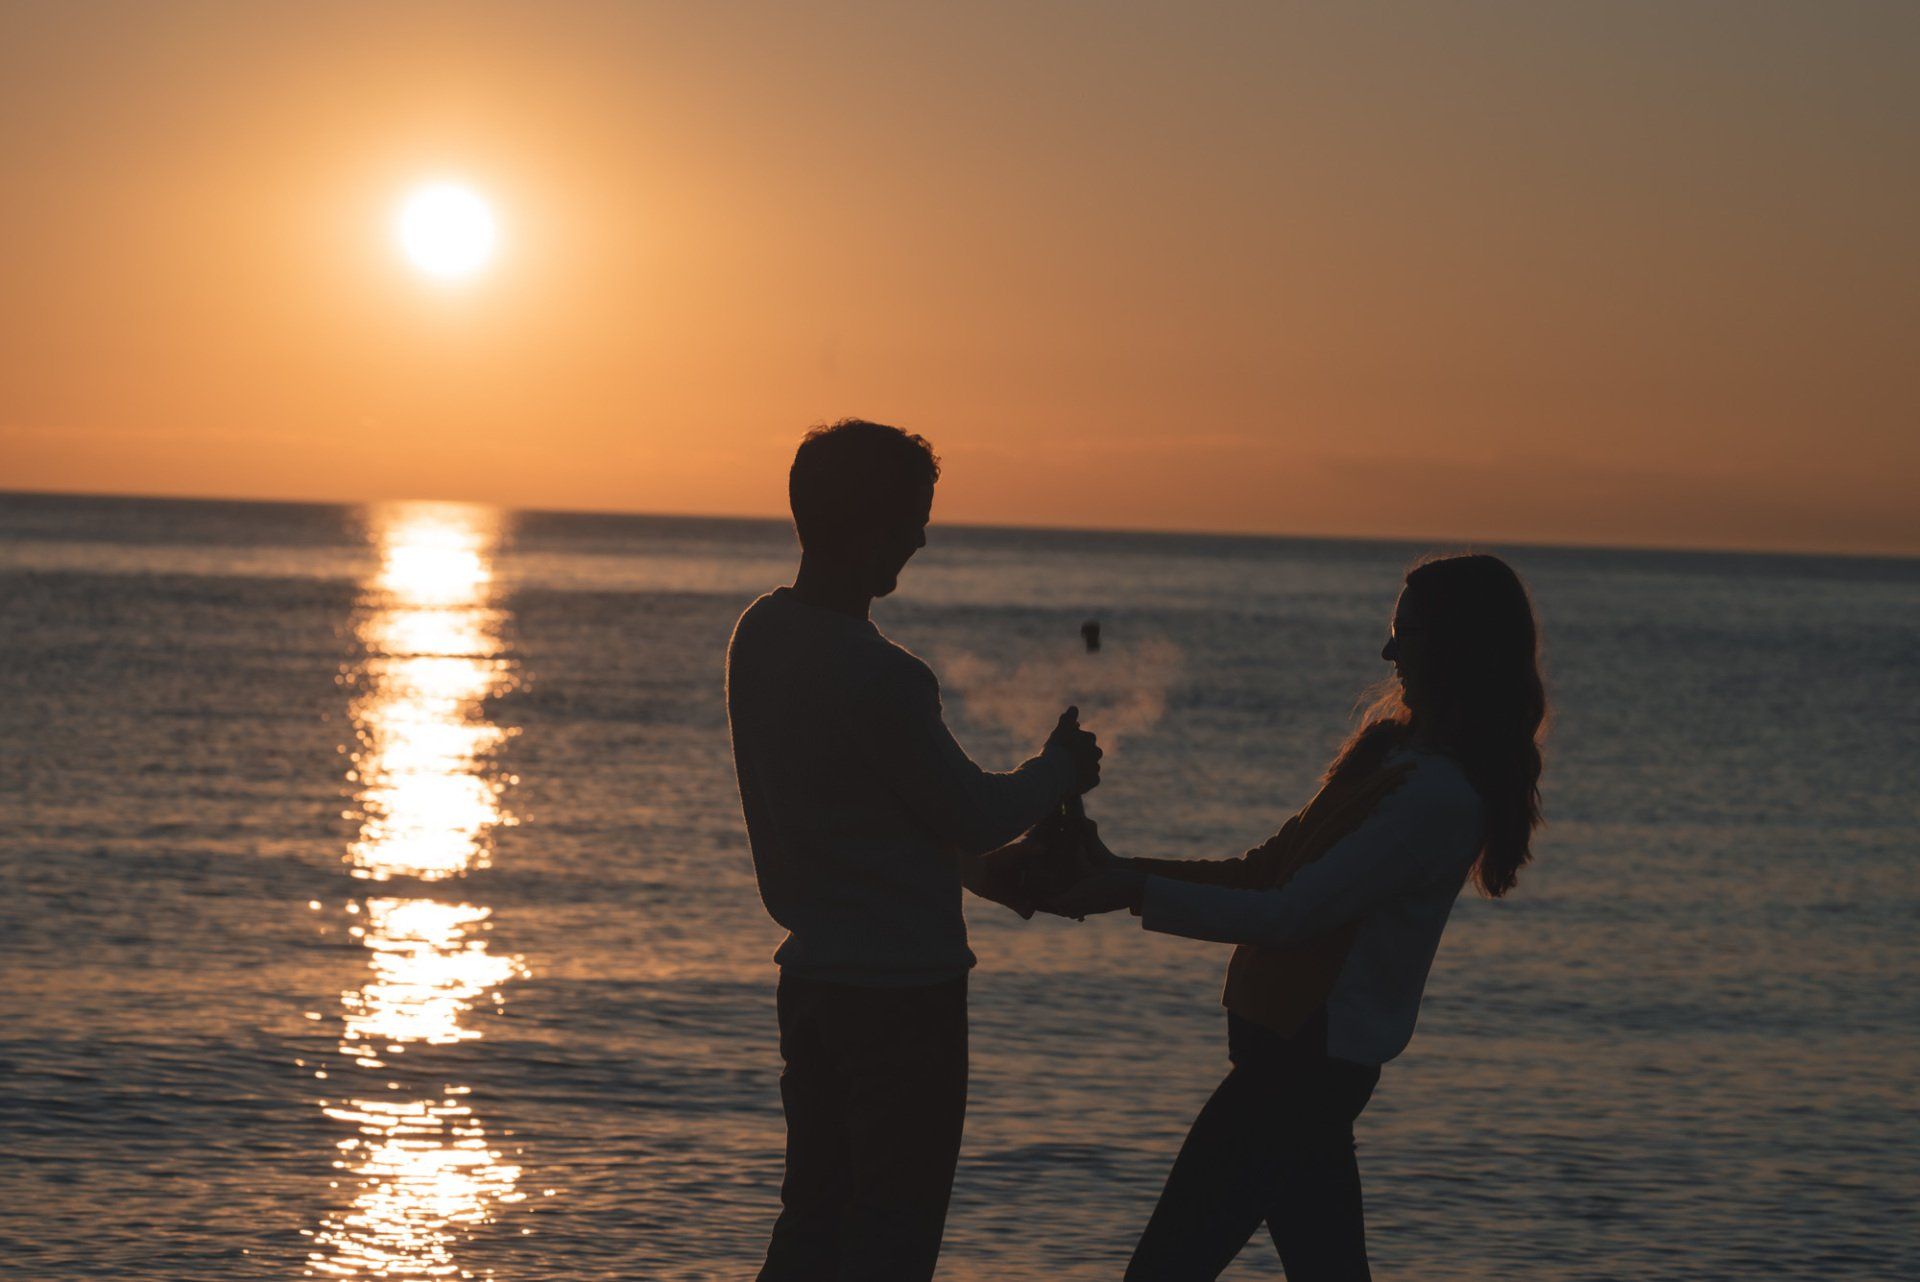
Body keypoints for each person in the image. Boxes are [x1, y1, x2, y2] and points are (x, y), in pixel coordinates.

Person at [1049, 553, 1547, 1281]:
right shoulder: (1390, 761)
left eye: (1405, 632)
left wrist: (1130, 892)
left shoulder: (1437, 798)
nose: (1387, 651)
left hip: (1300, 1074)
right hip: (1286, 1065)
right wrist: (1121, 868)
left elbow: (1291, 916)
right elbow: (1265, 870)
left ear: (1456, 647)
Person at [726, 418, 1103, 1282]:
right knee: (893, 1243)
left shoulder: (761, 636)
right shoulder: (882, 673)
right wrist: (1058, 769)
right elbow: (970, 809)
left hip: (814, 982)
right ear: (867, 527)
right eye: (911, 520)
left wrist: (979, 876)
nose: (923, 537)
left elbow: (864, 813)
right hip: (902, 999)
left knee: (813, 1225)